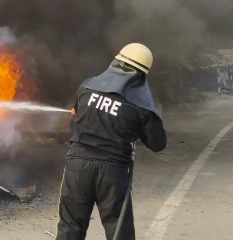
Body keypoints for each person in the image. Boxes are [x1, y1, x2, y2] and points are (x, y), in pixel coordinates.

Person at [56, 43, 166, 240]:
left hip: (77, 166)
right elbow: (157, 144)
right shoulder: (143, 103)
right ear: (142, 74)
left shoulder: (88, 85)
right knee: (119, 230)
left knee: (70, 227)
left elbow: (75, 119)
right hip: (113, 171)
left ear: (116, 61)